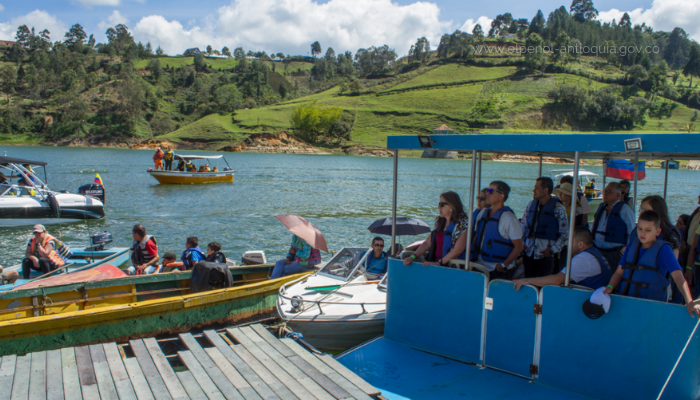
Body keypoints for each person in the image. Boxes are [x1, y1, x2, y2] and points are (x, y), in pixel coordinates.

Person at [604, 210, 700, 317]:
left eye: (648, 230)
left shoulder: (664, 250)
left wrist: (689, 301)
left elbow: (679, 278)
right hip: (627, 303)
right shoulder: (631, 246)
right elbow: (618, 273)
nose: (642, 233)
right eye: (639, 229)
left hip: (652, 308)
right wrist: (610, 287)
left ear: (658, 232)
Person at [513, 227, 612, 291]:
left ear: (581, 244)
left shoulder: (584, 259)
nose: (566, 244)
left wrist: (528, 281)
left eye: (569, 240)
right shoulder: (595, 253)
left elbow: (558, 280)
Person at [471, 181, 523, 280]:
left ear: (501, 196)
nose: (487, 193)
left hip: (497, 270)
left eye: (491, 191)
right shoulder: (482, 214)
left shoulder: (509, 218)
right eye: (487, 190)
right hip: (479, 266)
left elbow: (519, 246)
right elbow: (476, 237)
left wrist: (503, 265)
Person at [403, 191, 469, 268]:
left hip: (452, 269)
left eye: (442, 205)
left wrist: (439, 263)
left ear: (451, 207)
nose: (438, 207)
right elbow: (427, 243)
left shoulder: (462, 224)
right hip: (436, 266)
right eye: (439, 204)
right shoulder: (440, 223)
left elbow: (458, 250)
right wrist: (413, 257)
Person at [520, 177, 569, 278]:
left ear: (545, 190)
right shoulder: (531, 205)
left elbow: (564, 233)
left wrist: (552, 250)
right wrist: (521, 243)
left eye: (536, 188)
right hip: (529, 253)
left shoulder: (558, 208)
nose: (534, 190)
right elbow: (523, 225)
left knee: (543, 283)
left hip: (545, 255)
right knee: (528, 281)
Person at [591, 182, 636, 272]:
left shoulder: (625, 209)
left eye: (609, 191)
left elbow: (632, 232)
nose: (605, 193)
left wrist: (625, 251)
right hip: (598, 251)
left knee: (613, 279)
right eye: (605, 191)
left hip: (615, 253)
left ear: (618, 195)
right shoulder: (601, 207)